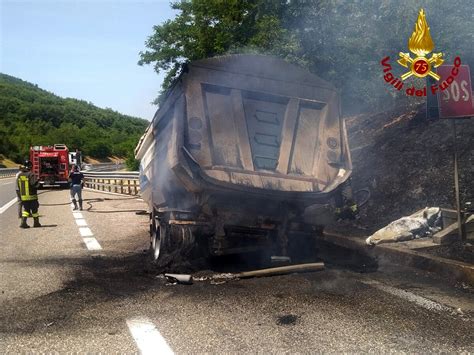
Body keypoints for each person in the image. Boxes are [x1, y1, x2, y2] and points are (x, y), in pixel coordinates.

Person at [16, 160, 41, 228]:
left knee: (26, 210)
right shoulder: (31, 174)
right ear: (30, 166)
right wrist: (38, 184)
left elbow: (18, 185)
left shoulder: (20, 175)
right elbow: (34, 184)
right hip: (32, 196)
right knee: (34, 210)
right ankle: (36, 223)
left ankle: (23, 223)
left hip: (24, 197)